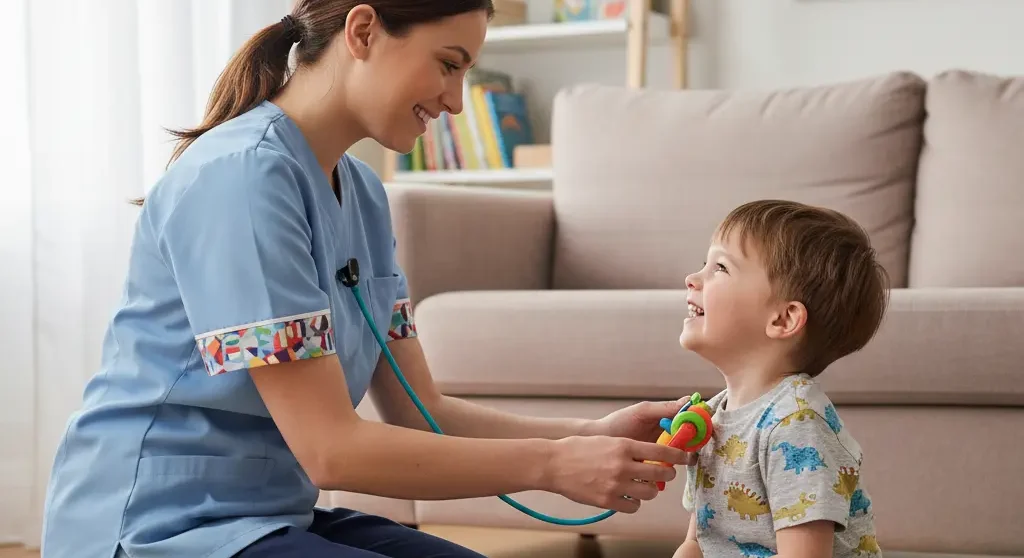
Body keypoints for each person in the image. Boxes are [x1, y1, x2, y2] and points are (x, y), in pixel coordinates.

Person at [39, 1, 697, 557]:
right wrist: (553, 467)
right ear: (362, 32)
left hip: (266, 519)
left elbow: (421, 411)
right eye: (448, 64)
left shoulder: (363, 193)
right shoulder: (241, 176)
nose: (455, 101)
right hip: (156, 529)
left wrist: (587, 436)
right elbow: (331, 452)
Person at [671, 200, 888, 558]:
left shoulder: (797, 424)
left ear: (783, 320)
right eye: (703, 265)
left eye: (720, 268)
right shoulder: (711, 416)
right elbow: (698, 542)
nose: (692, 279)